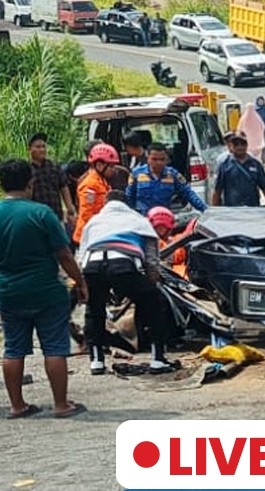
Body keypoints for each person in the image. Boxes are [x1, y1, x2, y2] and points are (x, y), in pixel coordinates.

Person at [0, 159, 89, 419]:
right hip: (46, 291)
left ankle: (17, 406)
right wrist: (80, 282)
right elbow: (64, 255)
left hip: (8, 292)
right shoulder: (42, 213)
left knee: (13, 349)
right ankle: (61, 404)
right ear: (31, 183)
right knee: (54, 347)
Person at [79, 172, 176, 376]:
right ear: (126, 204)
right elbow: (152, 258)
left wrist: (82, 283)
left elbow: (82, 252)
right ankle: (158, 358)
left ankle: (96, 360)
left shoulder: (94, 221)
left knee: (94, 310)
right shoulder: (138, 220)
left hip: (92, 266)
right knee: (154, 303)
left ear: (106, 204)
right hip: (123, 264)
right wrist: (152, 280)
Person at [125, 144, 206, 215]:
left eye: (162, 159)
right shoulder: (136, 174)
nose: (159, 162)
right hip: (143, 219)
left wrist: (206, 210)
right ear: (147, 157)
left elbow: (188, 193)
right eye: (154, 159)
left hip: (164, 219)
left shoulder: (173, 174)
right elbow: (129, 197)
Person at [73, 143, 123, 246]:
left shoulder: (102, 182)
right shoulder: (89, 185)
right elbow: (87, 214)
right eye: (111, 166)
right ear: (100, 165)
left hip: (99, 232)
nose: (114, 170)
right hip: (89, 236)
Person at [213, 132, 265, 207]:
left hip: (252, 209)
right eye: (236, 144)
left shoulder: (256, 165)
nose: (239, 147)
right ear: (231, 146)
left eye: (242, 143)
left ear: (247, 145)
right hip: (232, 211)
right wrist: (215, 210)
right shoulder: (224, 165)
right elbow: (217, 191)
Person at [28, 133, 74, 226]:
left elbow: (64, 188)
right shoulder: (26, 169)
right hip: (35, 219)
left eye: (43, 146)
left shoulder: (54, 166)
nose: (42, 149)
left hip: (56, 216)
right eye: (38, 147)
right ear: (30, 149)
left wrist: (70, 209)